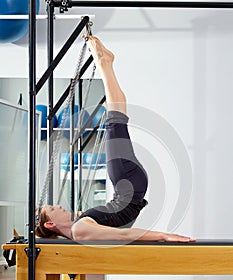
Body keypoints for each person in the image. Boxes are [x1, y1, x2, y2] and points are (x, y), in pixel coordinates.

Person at [35, 36, 195, 243]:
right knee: (115, 121)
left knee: (118, 118)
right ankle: (103, 63)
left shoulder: (79, 226)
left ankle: (106, 63)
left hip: (130, 187)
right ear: (50, 223)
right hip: (126, 184)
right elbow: (125, 234)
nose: (59, 206)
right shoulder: (81, 230)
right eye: (53, 208)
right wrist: (164, 235)